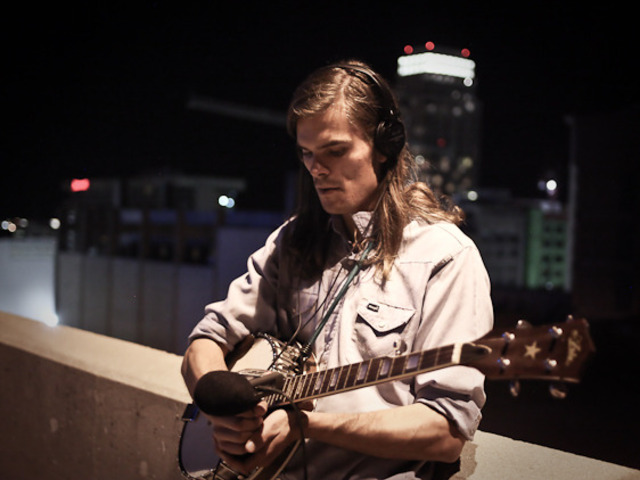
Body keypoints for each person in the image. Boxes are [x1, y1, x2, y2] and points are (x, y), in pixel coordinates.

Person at [181, 59, 493, 480]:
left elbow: (445, 430)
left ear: (384, 146)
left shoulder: (444, 257)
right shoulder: (291, 242)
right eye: (307, 154)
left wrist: (306, 425)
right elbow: (205, 341)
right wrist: (225, 410)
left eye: (335, 151)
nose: (317, 169)